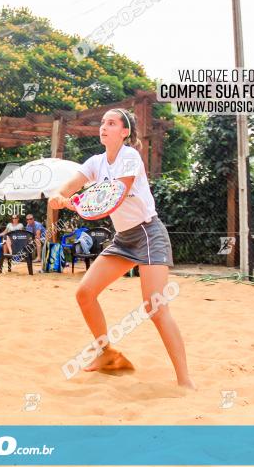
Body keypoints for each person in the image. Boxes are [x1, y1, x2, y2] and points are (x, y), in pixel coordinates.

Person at [49, 108, 194, 389]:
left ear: (125, 132)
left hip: (149, 233)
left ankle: (185, 381)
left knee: (155, 308)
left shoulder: (130, 156)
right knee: (84, 294)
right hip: (124, 238)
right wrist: (58, 197)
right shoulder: (95, 162)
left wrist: (77, 201)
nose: (104, 127)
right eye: (102, 122)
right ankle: (108, 356)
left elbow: (113, 195)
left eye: (111, 123)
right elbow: (66, 188)